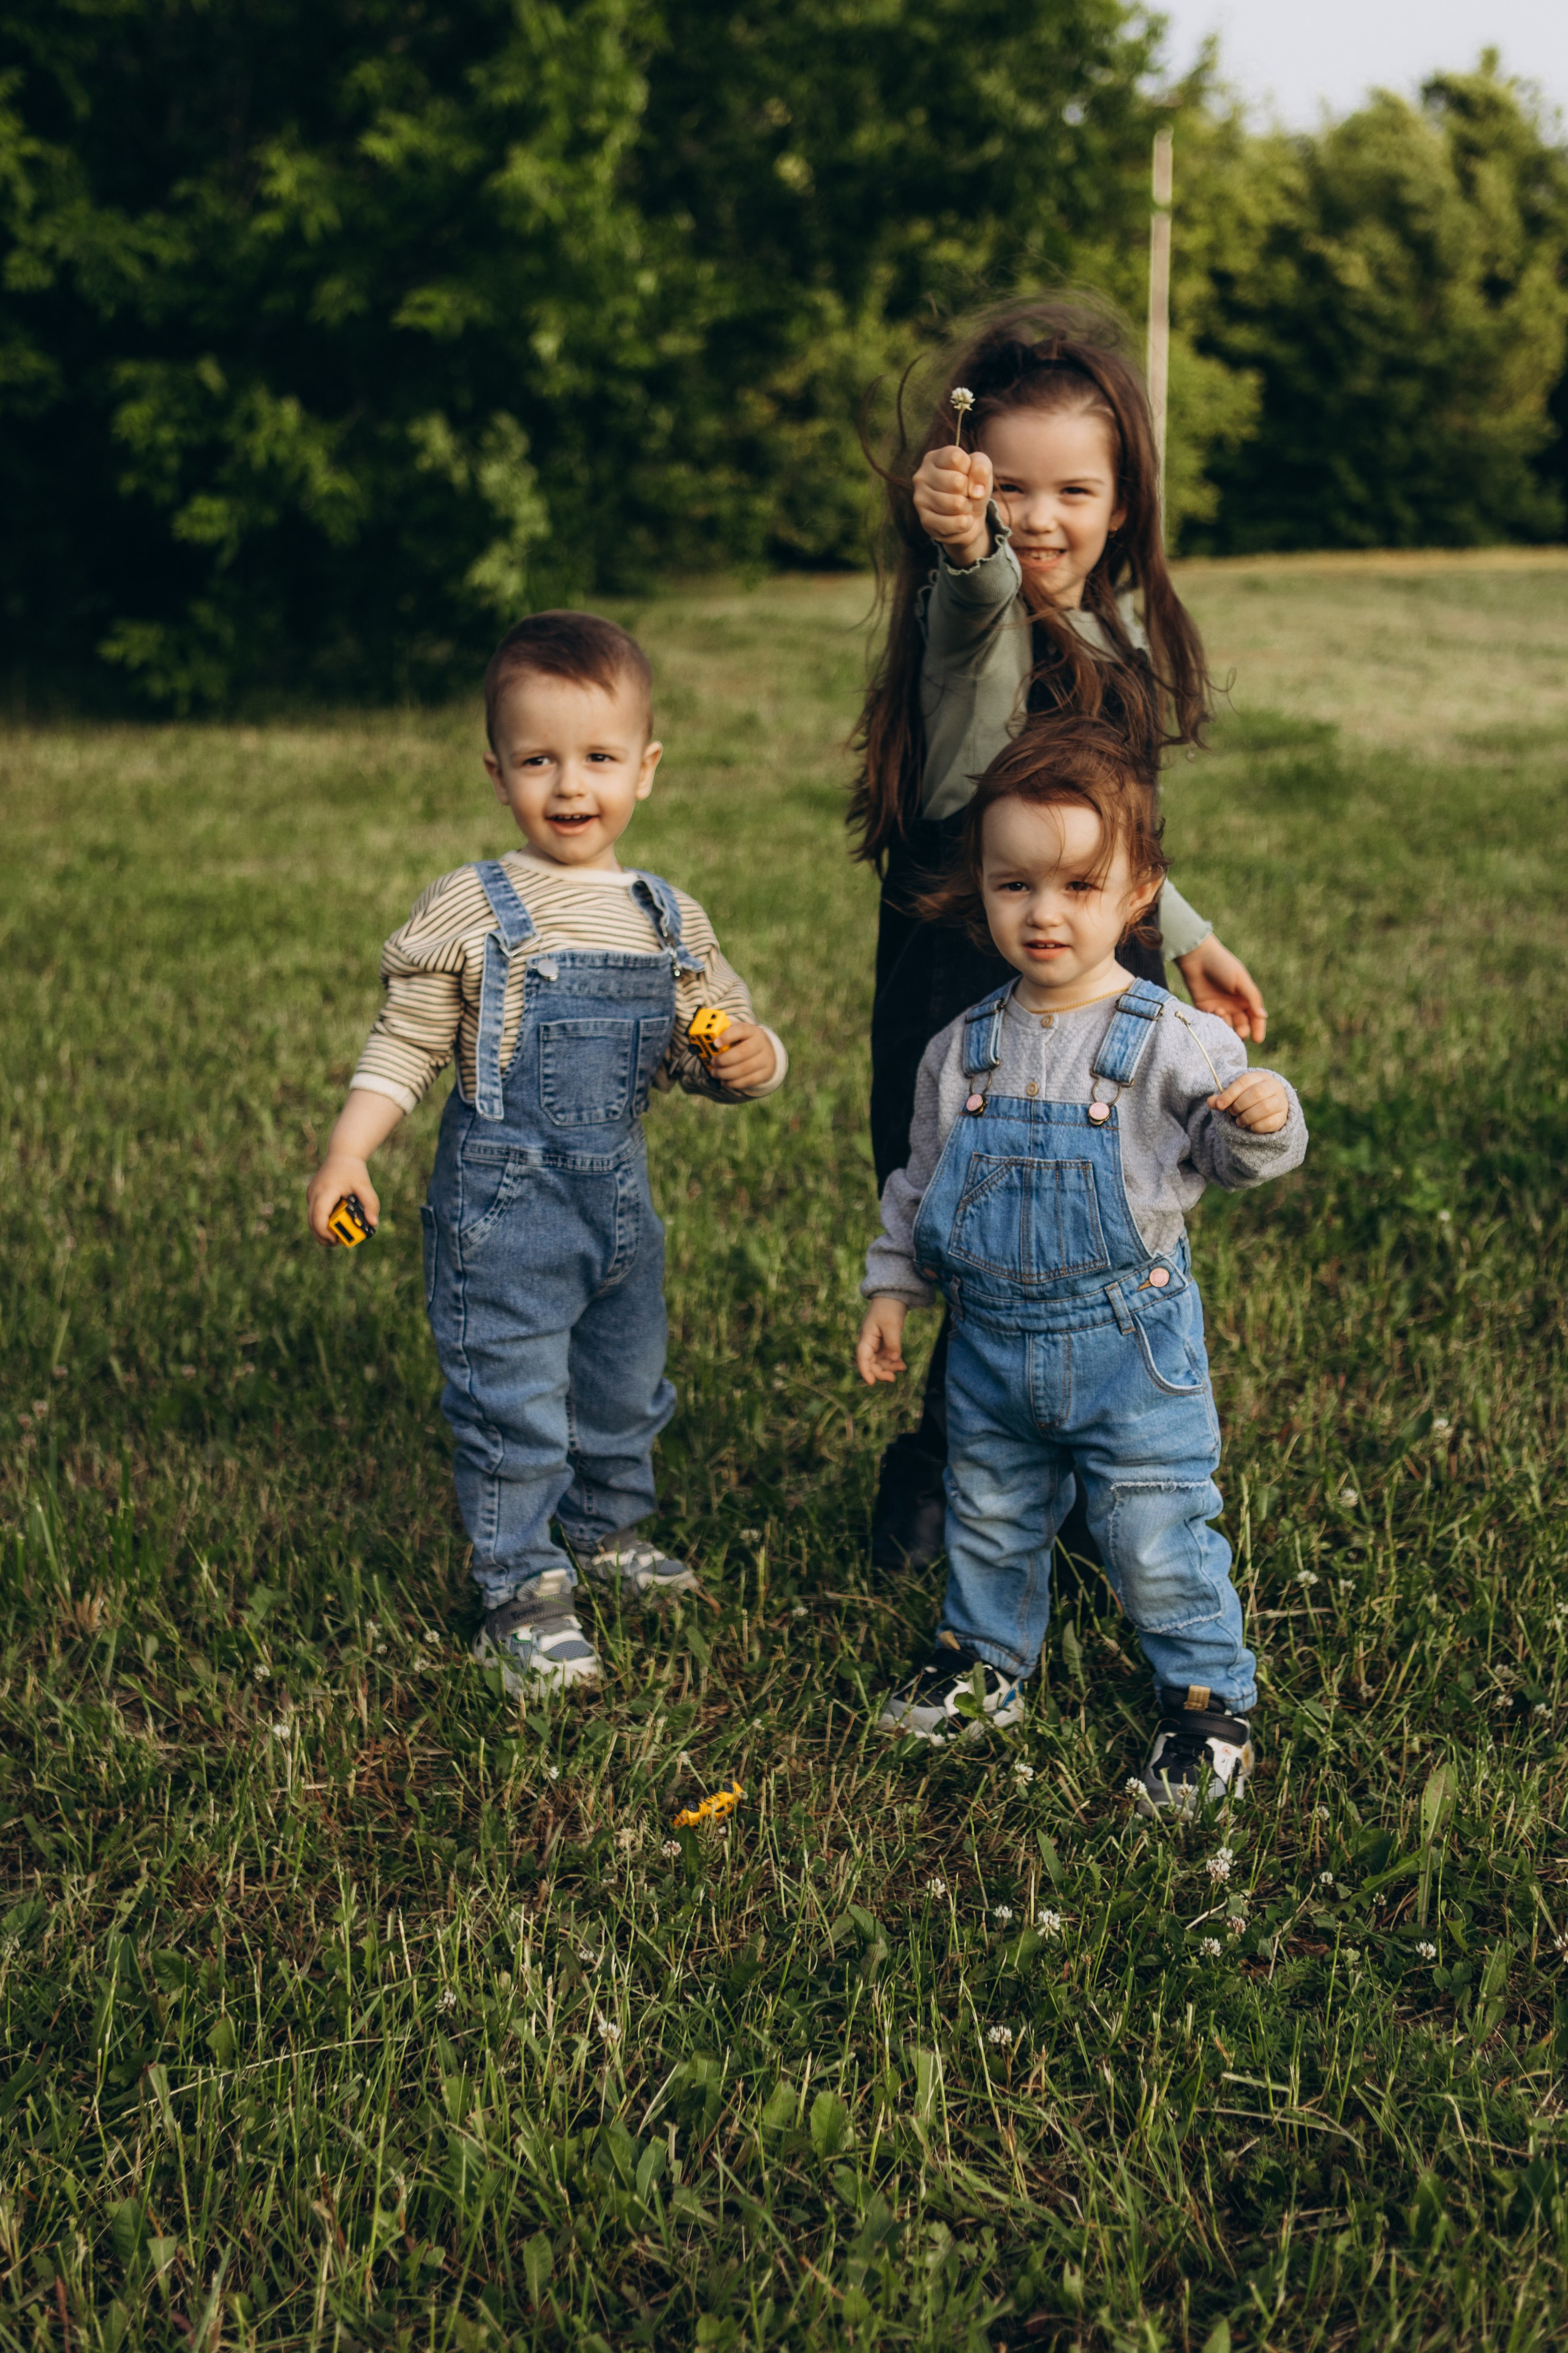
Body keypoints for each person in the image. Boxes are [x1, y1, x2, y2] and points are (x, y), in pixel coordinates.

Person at [852, 294, 1269, 1573]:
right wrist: (960, 540)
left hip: (1102, 982)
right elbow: (975, 585)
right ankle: (948, 1485)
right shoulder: (967, 614)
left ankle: (1091, 1467)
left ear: (1122, 503)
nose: (1039, 519)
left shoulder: (1117, 634)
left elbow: (1109, 840)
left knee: (1098, 1225)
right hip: (968, 989)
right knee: (988, 1236)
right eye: (1009, 491)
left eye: (1072, 492)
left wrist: (1180, 930)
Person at [306, 611, 786, 1696]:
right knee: (513, 1398)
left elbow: (719, 1034)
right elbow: (409, 1040)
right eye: (539, 760)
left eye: (600, 759)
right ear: (498, 770)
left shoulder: (669, 918)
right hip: (503, 1210)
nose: (571, 786)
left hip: (619, 1204)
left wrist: (754, 1059)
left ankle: (606, 1534)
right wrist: (349, 1151)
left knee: (624, 1383)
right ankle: (519, 1586)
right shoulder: (476, 904)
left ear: (647, 769)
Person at [854, 717, 1305, 1813]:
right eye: (1015, 886)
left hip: (1130, 1349)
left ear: (1138, 891)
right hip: (991, 1348)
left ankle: (1205, 1701)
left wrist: (1263, 1114)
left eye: (1077, 885)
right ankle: (983, 1661)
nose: (1043, 913)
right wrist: (890, 1286)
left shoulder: (1173, 1040)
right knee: (991, 1509)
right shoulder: (960, 1046)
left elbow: (1236, 1157)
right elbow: (921, 1180)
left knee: (1154, 1525)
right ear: (982, 889)